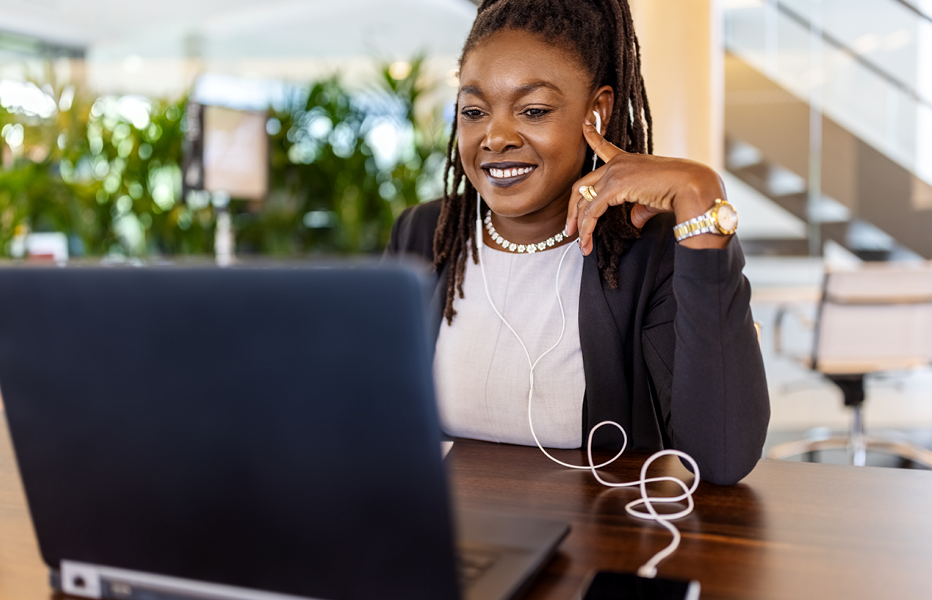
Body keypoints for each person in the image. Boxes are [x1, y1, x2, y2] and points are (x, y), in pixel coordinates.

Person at [385, 0, 770, 486]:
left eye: (534, 110)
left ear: (598, 112)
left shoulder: (647, 252)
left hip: (598, 545)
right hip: (441, 544)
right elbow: (370, 417)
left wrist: (701, 199)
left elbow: (721, 456)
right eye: (474, 110)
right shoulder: (424, 235)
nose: (496, 136)